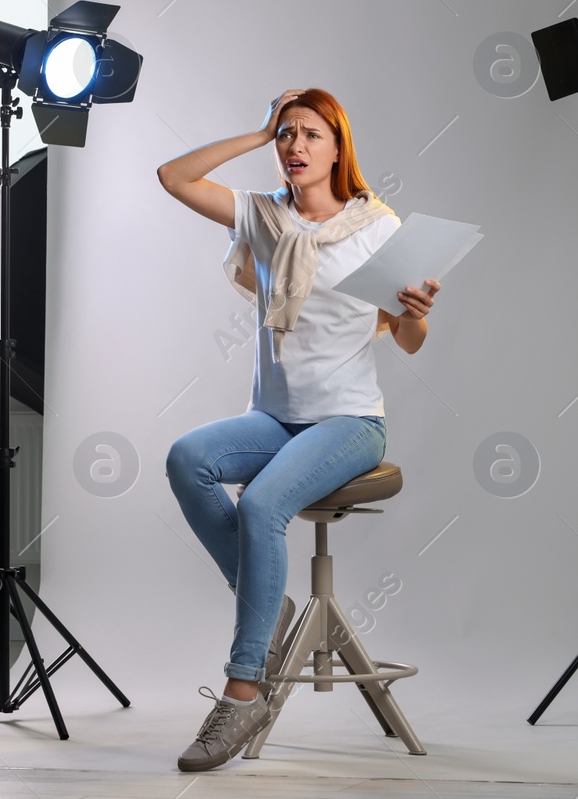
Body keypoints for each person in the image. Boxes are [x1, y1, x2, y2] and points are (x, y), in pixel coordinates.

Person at [156, 87, 439, 772]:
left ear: (339, 146)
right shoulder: (261, 217)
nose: (295, 146)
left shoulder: (377, 227)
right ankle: (267, 598)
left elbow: (409, 342)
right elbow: (174, 176)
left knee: (260, 504)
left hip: (349, 421)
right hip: (275, 418)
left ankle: (242, 687)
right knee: (186, 457)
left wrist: (415, 310)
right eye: (287, 135)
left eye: (310, 134)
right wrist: (255, 132)